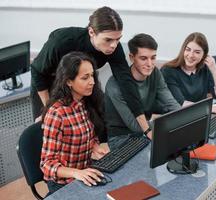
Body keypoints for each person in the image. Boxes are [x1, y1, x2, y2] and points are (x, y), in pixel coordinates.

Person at [30, 6, 149, 134]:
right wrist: (49, 109)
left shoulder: (114, 48)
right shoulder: (62, 41)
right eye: (108, 39)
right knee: (52, 128)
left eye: (118, 39)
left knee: (98, 120)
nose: (114, 45)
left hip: (81, 82)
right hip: (47, 83)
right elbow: (37, 71)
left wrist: (146, 128)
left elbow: (127, 84)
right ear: (91, 32)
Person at [40, 52, 109, 194]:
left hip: (85, 173)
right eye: (85, 78)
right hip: (63, 183)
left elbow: (89, 135)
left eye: (92, 76)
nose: (92, 82)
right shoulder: (57, 114)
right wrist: (76, 173)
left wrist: (94, 147)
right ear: (68, 81)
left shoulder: (84, 102)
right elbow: (46, 164)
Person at [104, 33, 181, 148]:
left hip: (146, 129)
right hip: (121, 137)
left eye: (153, 57)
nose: (149, 64)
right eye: (143, 58)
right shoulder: (115, 85)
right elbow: (135, 126)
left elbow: (170, 103)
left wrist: (184, 119)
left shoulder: (155, 73)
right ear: (131, 58)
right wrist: (161, 122)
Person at [161, 32, 216, 114]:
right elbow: (181, 103)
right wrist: (214, 109)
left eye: (197, 52)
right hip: (177, 117)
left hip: (200, 115)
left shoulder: (205, 68)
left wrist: (214, 69)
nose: (191, 55)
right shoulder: (168, 71)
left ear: (204, 55)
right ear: (183, 50)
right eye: (188, 50)